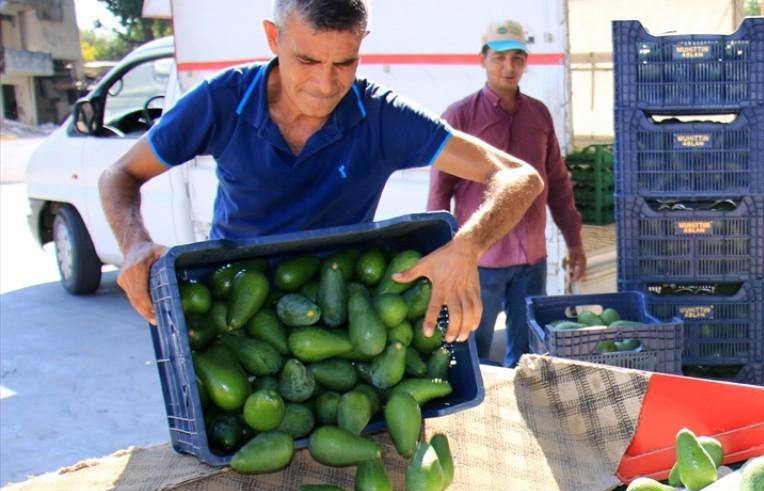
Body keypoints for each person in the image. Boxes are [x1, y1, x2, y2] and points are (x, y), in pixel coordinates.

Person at [102, 0, 544, 343]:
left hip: (344, 318)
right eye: (308, 61)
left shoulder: (383, 116)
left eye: (345, 63)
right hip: (233, 306)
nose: (326, 84)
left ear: (362, 44)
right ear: (273, 38)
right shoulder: (220, 100)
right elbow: (119, 174)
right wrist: (135, 243)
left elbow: (520, 176)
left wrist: (467, 246)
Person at [427, 19, 586, 368]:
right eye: (499, 58)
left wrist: (574, 241)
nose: (508, 67)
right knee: (471, 345)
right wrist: (442, 252)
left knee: (529, 350)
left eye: (517, 58)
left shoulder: (539, 115)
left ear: (526, 63)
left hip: (532, 260)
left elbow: (557, 182)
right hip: (481, 261)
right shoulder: (460, 115)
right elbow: (440, 191)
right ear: (483, 60)